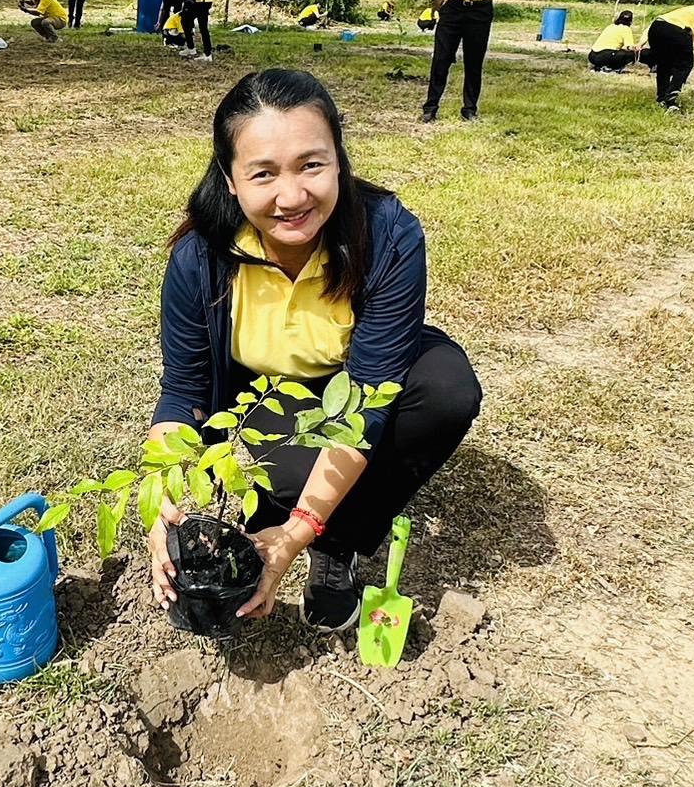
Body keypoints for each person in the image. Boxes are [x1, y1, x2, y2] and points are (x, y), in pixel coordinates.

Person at [146, 68, 482, 631]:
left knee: (446, 391)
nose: (292, 196)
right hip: (267, 398)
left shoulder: (387, 236)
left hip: (358, 385)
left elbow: (371, 399)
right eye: (263, 174)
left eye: (311, 164)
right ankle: (304, 511)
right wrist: (163, 500)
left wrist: (302, 531)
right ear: (231, 180)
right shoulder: (201, 259)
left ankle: (337, 547)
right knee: (290, 473)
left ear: (339, 159)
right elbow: (184, 393)